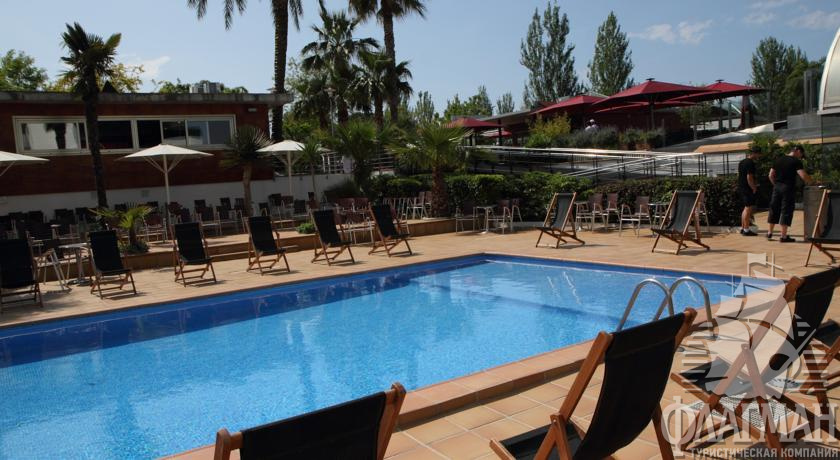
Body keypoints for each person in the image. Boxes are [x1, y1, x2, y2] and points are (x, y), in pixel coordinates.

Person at [767, 145, 813, 242]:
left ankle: (769, 233)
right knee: (786, 210)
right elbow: (803, 175)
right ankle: (783, 236)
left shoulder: (778, 159)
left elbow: (770, 175)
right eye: (801, 154)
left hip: (777, 187)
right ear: (798, 151)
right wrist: (812, 182)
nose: (801, 157)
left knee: (774, 208)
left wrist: (776, 185)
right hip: (788, 188)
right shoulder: (796, 161)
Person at [738, 146, 761, 236]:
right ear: (754, 153)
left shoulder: (742, 162)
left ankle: (743, 228)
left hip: (742, 187)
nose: (759, 156)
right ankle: (746, 230)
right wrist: (753, 187)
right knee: (748, 208)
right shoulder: (750, 163)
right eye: (758, 154)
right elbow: (749, 177)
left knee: (745, 208)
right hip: (747, 188)